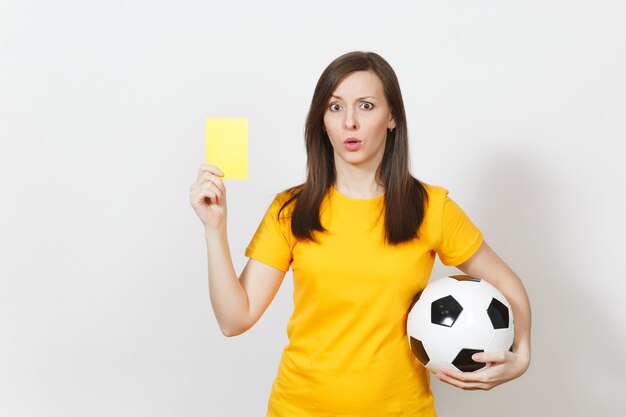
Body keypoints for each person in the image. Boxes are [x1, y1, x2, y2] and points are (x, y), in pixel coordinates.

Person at [189, 51, 531, 416]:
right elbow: (234, 319)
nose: (349, 122)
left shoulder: (430, 207)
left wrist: (522, 355)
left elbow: (506, 283)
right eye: (335, 108)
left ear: (392, 117)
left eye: (366, 106)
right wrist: (215, 231)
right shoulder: (291, 210)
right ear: (322, 121)